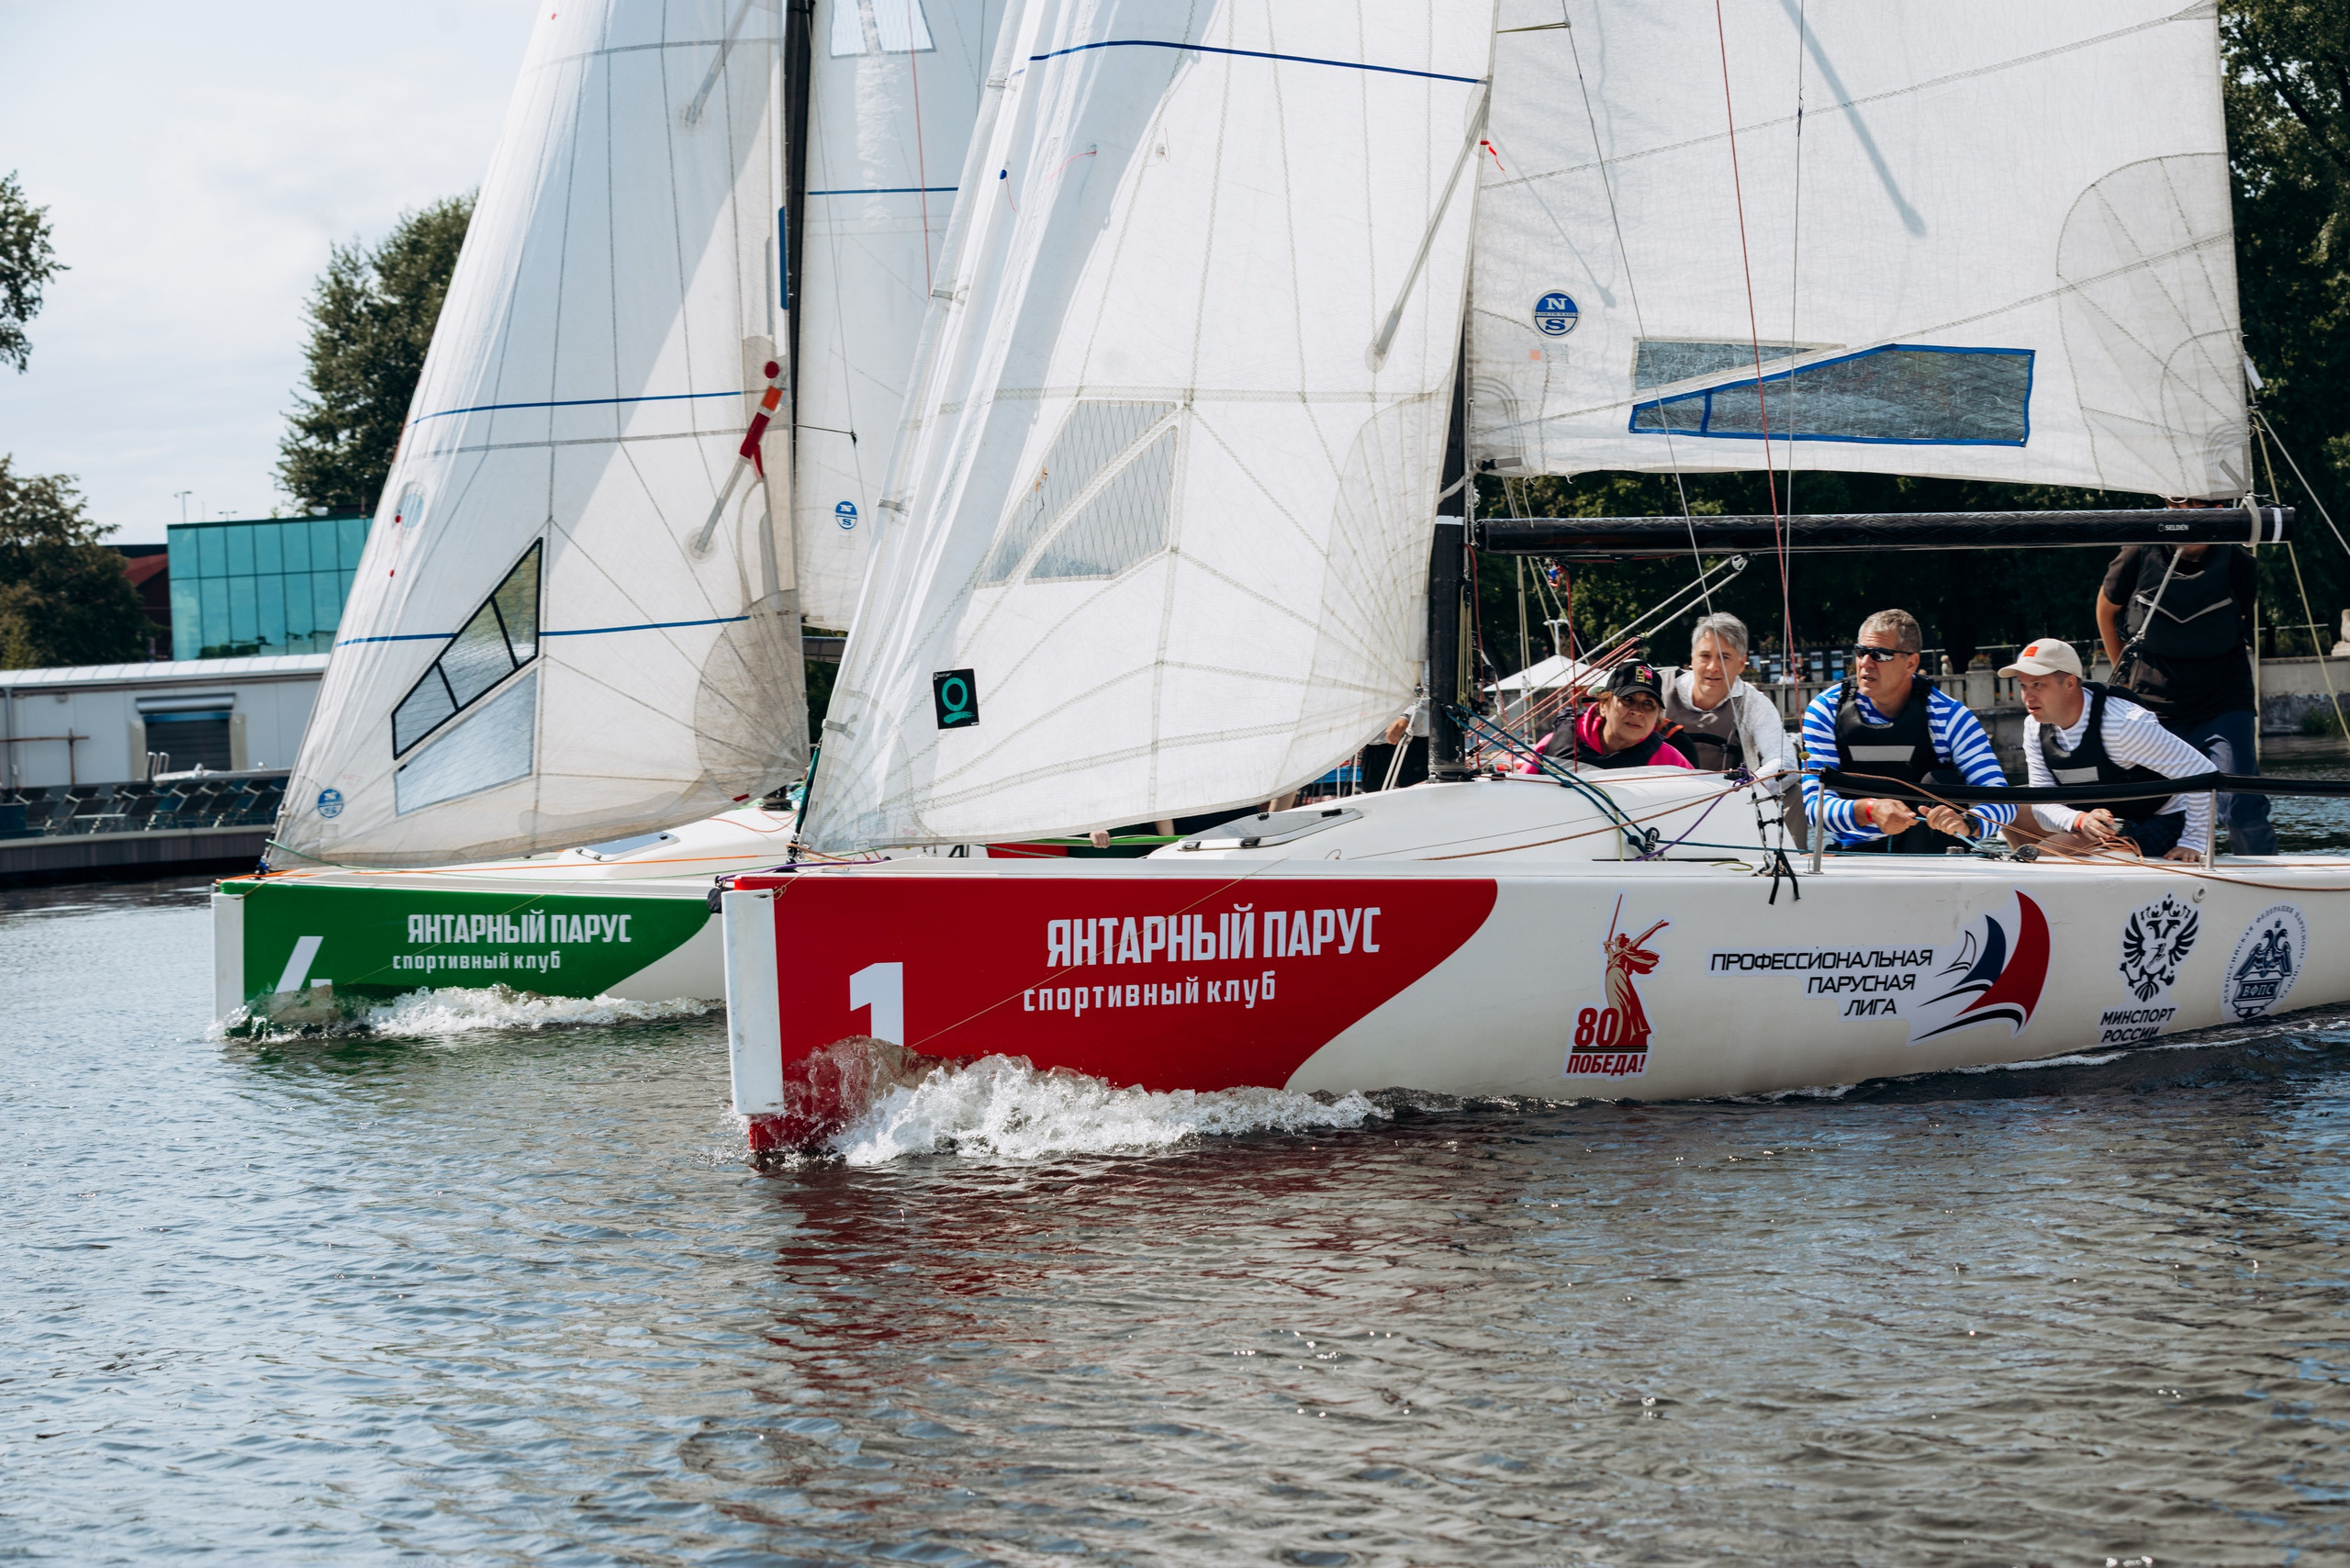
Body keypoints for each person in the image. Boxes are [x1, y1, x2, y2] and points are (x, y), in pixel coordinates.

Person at [2096, 508, 2276, 853]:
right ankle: (2153, 870)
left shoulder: (2240, 564)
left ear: (2218, 510)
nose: (2184, 512)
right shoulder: (2138, 552)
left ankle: (2262, 874)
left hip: (2224, 699)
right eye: (2176, 503)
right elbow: (2106, 610)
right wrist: (2124, 675)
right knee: (2150, 803)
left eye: (2195, 503)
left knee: (2240, 804)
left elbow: (2240, 619)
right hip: (2154, 704)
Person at [1799, 609, 2014, 852]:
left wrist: (1967, 823)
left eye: (1880, 655)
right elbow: (1813, 807)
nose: (1866, 663)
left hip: (1932, 853)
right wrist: (1869, 810)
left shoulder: (1950, 716)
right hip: (1855, 851)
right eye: (1861, 652)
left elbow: (2003, 802)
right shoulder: (1826, 710)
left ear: (1911, 663)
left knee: (1940, 781)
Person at [1995, 637, 2211, 861]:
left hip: (2163, 820)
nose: (2028, 697)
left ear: (2069, 683)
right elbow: (2042, 804)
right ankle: (2029, 869)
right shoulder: (2033, 727)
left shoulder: (2123, 724)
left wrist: (2192, 843)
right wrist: (2079, 820)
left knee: (2071, 843)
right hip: (2100, 821)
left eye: (2038, 685)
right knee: (2010, 811)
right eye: (2023, 686)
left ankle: (2032, 863)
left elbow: (2203, 773)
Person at [1659, 610, 1805, 846]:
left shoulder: (1753, 703)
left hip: (1729, 804)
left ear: (1741, 664)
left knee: (1793, 792)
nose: (1712, 667)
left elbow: (1785, 762)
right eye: (1704, 656)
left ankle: (1790, 861)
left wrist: (1739, 790)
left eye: (1724, 657)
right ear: (1692, 658)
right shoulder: (1659, 690)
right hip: (1659, 802)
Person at [1528, 661, 1695, 771]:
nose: (1638, 711)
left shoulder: (1671, 761)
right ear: (1603, 706)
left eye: (1648, 703)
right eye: (1627, 699)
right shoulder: (1552, 746)